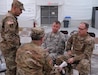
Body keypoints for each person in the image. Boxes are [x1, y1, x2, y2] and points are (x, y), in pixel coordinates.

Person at [0, 1, 25, 75]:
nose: (21, 12)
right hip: (10, 49)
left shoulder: (10, 17)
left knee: (12, 68)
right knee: (12, 69)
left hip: (9, 48)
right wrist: (17, 48)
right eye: (20, 10)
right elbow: (9, 36)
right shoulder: (10, 18)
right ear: (14, 8)